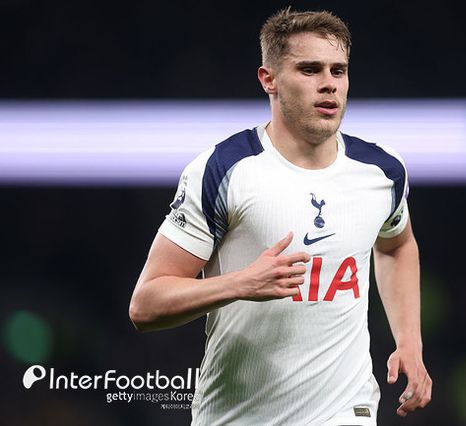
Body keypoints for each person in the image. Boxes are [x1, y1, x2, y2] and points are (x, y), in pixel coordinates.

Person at [129, 8, 432, 425]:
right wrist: (240, 283)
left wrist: (410, 342)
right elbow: (146, 305)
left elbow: (397, 246)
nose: (329, 83)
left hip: (346, 411)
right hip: (238, 414)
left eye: (338, 70)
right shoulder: (224, 170)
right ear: (268, 79)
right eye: (309, 69)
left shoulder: (381, 171)